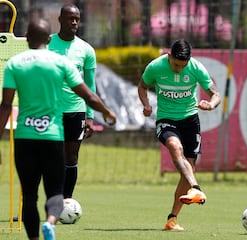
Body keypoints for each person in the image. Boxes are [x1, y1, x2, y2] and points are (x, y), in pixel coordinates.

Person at [0, 18, 116, 240]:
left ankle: (34, 238)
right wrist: (106, 112)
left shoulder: (15, 63)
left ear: (28, 39)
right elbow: (88, 94)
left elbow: (5, 105)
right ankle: (51, 222)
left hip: (25, 136)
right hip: (52, 135)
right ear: (48, 38)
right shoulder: (61, 63)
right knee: (55, 192)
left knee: (30, 195)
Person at [138, 39, 221, 231]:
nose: (178, 69)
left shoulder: (196, 68)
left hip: (190, 121)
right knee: (175, 146)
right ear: (169, 56)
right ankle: (196, 188)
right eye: (175, 65)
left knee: (188, 168)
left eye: (182, 66)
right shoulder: (155, 67)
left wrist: (211, 104)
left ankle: (172, 219)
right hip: (166, 119)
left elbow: (215, 93)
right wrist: (146, 104)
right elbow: (142, 86)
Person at [48, 4, 97, 199]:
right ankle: (52, 198)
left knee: (71, 158)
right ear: (60, 20)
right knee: (51, 158)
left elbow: (90, 86)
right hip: (50, 110)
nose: (74, 22)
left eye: (77, 18)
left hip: (76, 111)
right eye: (70, 18)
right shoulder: (47, 43)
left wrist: (91, 116)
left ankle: (65, 202)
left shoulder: (86, 50)